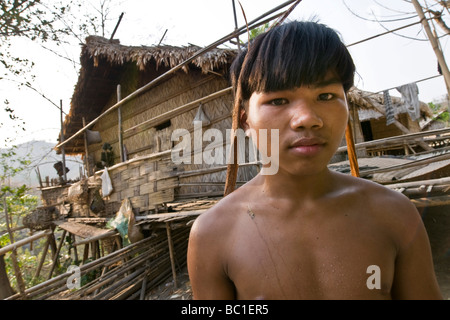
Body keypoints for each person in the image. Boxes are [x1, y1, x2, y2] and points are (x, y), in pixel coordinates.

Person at [187, 20, 443, 300]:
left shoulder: (394, 214)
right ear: (245, 120)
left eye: (325, 95)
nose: (307, 118)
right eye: (278, 100)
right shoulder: (213, 235)